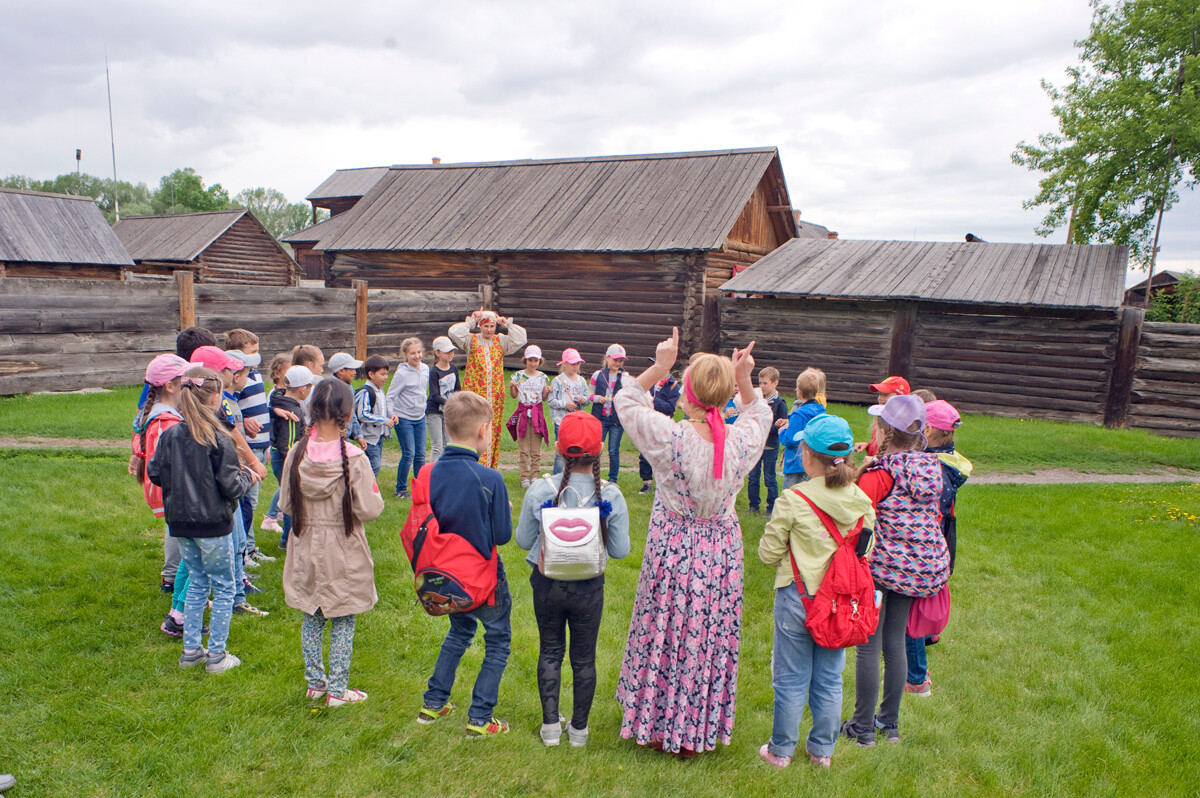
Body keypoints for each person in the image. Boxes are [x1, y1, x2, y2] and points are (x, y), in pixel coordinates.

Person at [614, 327, 771, 756]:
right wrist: (743, 379)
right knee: (707, 635)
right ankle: (694, 725)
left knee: (665, 627)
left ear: (686, 394)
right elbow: (761, 415)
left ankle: (660, 723)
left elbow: (626, 400)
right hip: (720, 550)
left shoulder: (670, 436)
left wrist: (660, 366)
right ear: (723, 399)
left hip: (673, 544)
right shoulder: (740, 441)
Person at [757, 414, 875, 769]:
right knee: (829, 678)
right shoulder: (862, 502)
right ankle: (822, 751)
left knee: (791, 679)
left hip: (798, 598)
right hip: (841, 605)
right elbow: (864, 553)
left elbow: (767, 554)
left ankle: (781, 751)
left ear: (807, 454)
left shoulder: (794, 499)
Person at [516, 411, 631, 747]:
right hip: (589, 588)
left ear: (560, 449)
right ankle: (579, 731)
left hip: (548, 582)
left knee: (550, 650)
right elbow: (621, 550)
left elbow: (523, 541)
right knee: (584, 657)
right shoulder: (611, 494)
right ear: (599, 452)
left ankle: (550, 727)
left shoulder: (541, 489)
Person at [842, 394, 947, 746]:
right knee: (896, 643)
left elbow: (854, 517)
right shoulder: (931, 470)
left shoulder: (880, 473)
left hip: (880, 569)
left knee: (869, 646)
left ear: (883, 429)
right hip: (915, 571)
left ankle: (862, 728)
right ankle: (889, 725)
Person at [147, 366, 260, 674]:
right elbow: (231, 486)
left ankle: (192, 650)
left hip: (181, 523)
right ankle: (218, 656)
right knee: (224, 586)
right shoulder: (219, 438)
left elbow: (155, 472)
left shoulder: (171, 435)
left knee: (197, 581)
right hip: (213, 525)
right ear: (215, 398)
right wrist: (248, 476)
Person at [281, 379, 385, 708]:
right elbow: (369, 509)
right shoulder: (353, 458)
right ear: (347, 412)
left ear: (311, 410)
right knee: (342, 615)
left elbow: (285, 503)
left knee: (312, 613)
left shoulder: (296, 454)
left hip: (305, 543)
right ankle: (337, 691)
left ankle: (316, 684)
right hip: (343, 544)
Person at [418, 391, 514, 737]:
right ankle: (480, 717)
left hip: (444, 576)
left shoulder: (427, 473)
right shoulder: (490, 479)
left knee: (459, 631)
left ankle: (433, 702)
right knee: (499, 638)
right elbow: (502, 535)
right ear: (483, 430)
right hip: (482, 576)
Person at [191, 346, 269, 615]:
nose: (233, 373)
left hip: (222, 485)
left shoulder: (219, 403)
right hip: (223, 488)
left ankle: (237, 592)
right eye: (228, 368)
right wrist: (249, 466)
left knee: (234, 543)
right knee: (229, 545)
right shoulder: (212, 406)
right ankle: (232, 597)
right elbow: (229, 438)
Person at [905, 399, 971, 698]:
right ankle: (916, 660)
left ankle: (917, 679)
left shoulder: (933, 469)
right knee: (919, 611)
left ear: (927, 429)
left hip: (921, 549)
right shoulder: (949, 462)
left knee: (909, 617)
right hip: (939, 546)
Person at [131, 353, 190, 637]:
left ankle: (175, 582)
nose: (187, 386)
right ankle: (178, 588)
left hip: (167, 490)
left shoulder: (154, 413)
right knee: (183, 539)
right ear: (170, 386)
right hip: (174, 491)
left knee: (175, 533)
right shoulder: (167, 421)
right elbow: (169, 461)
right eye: (184, 382)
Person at [447, 309, 528, 468]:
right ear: (480, 326)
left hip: (495, 396)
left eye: (492, 326)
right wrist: (471, 321)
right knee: (473, 428)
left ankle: (489, 466)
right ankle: (472, 464)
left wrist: (506, 324)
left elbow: (521, 338)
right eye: (486, 326)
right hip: (475, 395)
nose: (489, 329)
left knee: (491, 429)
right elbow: (453, 332)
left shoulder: (501, 341)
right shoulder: (471, 340)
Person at [225, 329, 274, 565]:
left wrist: (268, 445)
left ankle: (250, 547)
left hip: (261, 445)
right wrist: (244, 421)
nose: (257, 356)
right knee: (246, 502)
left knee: (252, 502)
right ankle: (242, 552)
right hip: (247, 447)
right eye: (252, 352)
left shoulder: (255, 376)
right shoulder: (237, 378)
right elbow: (229, 410)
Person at [270, 365, 314, 549]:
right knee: (291, 499)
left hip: (282, 456)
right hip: (286, 459)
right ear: (303, 388)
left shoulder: (280, 400)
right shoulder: (293, 412)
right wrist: (295, 463)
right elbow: (287, 444)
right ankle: (289, 541)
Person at [387, 337, 429, 499]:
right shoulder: (402, 374)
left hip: (420, 417)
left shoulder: (425, 369)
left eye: (419, 352)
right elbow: (389, 396)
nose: (417, 356)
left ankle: (420, 488)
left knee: (420, 454)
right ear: (405, 354)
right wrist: (391, 413)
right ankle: (401, 489)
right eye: (413, 353)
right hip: (403, 417)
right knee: (409, 453)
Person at [747, 366, 789, 514]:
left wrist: (770, 427)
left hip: (770, 446)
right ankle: (753, 506)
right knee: (753, 477)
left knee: (770, 478)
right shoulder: (757, 401)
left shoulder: (780, 404)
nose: (762, 386)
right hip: (756, 445)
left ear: (775, 383)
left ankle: (771, 508)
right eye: (760, 383)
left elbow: (780, 428)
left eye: (765, 383)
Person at [509, 344, 551, 487]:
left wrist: (546, 391)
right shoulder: (520, 376)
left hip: (537, 414)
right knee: (523, 448)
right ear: (525, 360)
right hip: (523, 413)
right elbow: (514, 396)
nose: (533, 363)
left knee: (535, 449)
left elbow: (543, 398)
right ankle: (524, 476)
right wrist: (512, 387)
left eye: (536, 361)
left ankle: (535, 475)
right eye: (530, 360)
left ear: (540, 361)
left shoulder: (542, 377)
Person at [260, 353, 292, 535]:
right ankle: (271, 517)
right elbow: (267, 419)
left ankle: (276, 514)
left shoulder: (287, 392)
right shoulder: (273, 395)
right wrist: (268, 445)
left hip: (283, 444)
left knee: (286, 485)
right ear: (278, 373)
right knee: (286, 485)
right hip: (275, 444)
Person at [636, 361, 680, 494]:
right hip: (648, 421)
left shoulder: (673, 386)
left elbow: (670, 408)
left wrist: (653, 400)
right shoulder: (650, 382)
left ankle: (662, 484)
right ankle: (646, 482)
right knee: (645, 453)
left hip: (663, 425)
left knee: (663, 455)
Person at [781, 368, 827, 489]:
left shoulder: (799, 414)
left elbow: (791, 439)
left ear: (799, 391)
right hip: (813, 462)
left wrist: (782, 431)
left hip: (796, 463)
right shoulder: (820, 410)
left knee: (790, 498)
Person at [589, 344, 628, 484]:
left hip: (617, 420)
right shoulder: (597, 374)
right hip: (600, 418)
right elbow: (589, 393)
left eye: (620, 361)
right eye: (615, 360)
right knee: (596, 449)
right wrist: (596, 398)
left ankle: (613, 480)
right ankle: (593, 476)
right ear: (607, 358)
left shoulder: (625, 377)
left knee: (613, 450)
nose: (617, 363)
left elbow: (629, 395)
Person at [548, 348, 590, 476]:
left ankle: (574, 475)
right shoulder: (558, 381)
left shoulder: (581, 381)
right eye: (572, 363)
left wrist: (584, 399)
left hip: (577, 421)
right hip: (562, 421)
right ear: (564, 364)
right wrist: (564, 404)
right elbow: (551, 401)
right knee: (561, 451)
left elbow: (587, 399)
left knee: (577, 450)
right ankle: (557, 477)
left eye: (578, 363)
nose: (576, 366)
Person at [356, 354, 398, 477]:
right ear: (371, 374)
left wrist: (391, 415)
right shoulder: (366, 392)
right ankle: (366, 491)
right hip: (368, 437)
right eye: (382, 374)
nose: (385, 377)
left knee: (372, 466)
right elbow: (363, 414)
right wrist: (384, 420)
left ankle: (367, 491)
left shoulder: (379, 390)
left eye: (386, 374)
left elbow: (382, 409)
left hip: (378, 436)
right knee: (374, 467)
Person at [854, 375, 911, 458]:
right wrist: (868, 445)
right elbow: (881, 443)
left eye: (886, 395)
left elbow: (898, 455)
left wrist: (875, 460)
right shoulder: (881, 417)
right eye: (880, 394)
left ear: (901, 398)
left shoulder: (902, 424)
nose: (880, 398)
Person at [427, 336, 461, 462]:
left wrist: (456, 401)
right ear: (437, 353)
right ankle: (431, 474)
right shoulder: (434, 372)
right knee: (437, 447)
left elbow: (457, 387)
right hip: (434, 412)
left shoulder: (454, 369)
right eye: (447, 352)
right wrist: (450, 402)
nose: (450, 354)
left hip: (449, 412)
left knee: (449, 444)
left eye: (452, 351)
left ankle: (446, 472)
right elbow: (434, 395)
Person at [328, 352, 366, 449]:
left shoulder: (350, 388)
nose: (355, 372)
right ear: (341, 371)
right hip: (333, 438)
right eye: (352, 369)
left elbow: (352, 415)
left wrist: (358, 435)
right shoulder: (330, 388)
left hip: (346, 436)